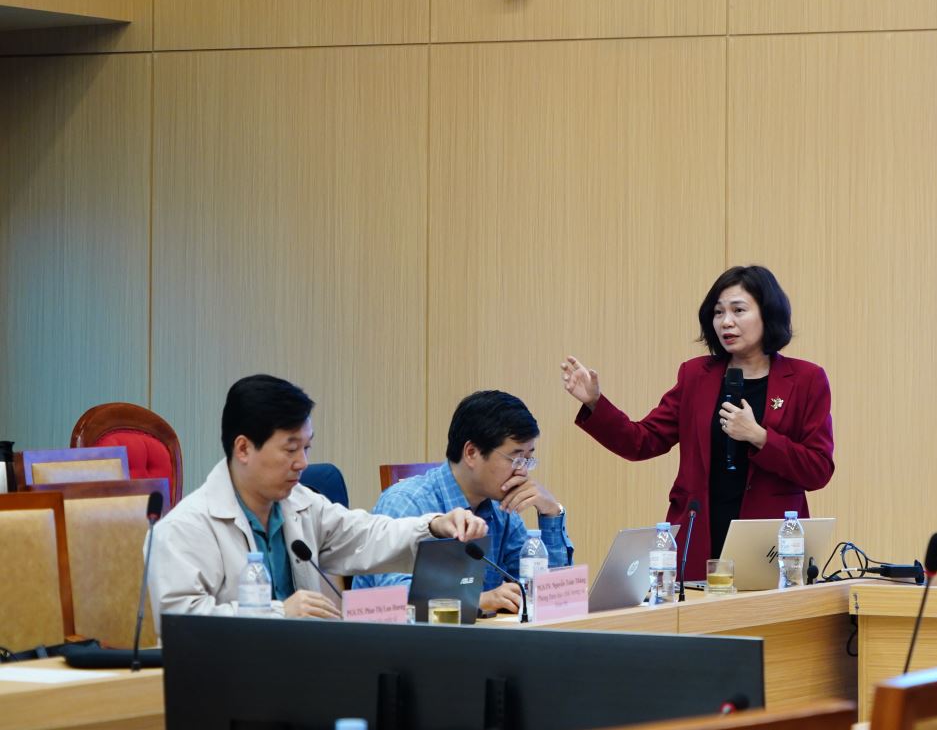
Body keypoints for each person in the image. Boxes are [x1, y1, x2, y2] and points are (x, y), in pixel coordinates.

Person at [561, 265, 834, 581]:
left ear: (767, 313)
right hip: (699, 536)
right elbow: (641, 441)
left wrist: (759, 436)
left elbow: (818, 469)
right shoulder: (695, 376)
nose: (726, 321)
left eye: (738, 310)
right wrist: (595, 403)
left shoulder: (806, 379)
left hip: (770, 544)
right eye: (718, 312)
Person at [148, 374, 486, 620]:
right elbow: (179, 619)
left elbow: (365, 535)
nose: (303, 463)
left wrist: (434, 526)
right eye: (290, 449)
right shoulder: (186, 527)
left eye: (307, 448)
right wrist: (280, 613)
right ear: (243, 448)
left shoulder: (301, 503)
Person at [354, 389, 573, 615]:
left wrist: (550, 512)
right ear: (471, 453)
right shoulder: (406, 502)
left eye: (528, 459)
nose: (523, 472)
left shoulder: (501, 511)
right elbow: (397, 598)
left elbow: (549, 597)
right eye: (516, 459)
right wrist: (477, 600)